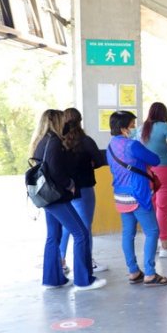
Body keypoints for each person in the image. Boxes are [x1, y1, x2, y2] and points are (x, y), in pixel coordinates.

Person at [31, 109, 105, 291]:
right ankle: (83, 280)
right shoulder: (55, 141)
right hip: (58, 197)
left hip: (45, 196)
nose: (65, 123)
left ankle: (52, 279)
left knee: (53, 235)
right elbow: (56, 170)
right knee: (81, 233)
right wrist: (70, 184)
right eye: (62, 120)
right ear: (56, 121)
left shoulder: (41, 141)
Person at [107, 110, 167, 286]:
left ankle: (133, 271)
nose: (134, 128)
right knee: (152, 231)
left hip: (121, 195)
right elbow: (155, 160)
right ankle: (149, 273)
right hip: (138, 195)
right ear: (123, 128)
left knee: (128, 233)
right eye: (132, 125)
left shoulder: (111, 146)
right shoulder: (132, 145)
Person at [59, 108, 108, 276]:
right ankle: (88, 261)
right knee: (85, 227)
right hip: (84, 188)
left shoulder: (59, 141)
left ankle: (60, 260)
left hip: (65, 189)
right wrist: (90, 164)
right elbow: (100, 160)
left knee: (67, 225)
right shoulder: (85, 141)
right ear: (80, 120)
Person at [140, 102, 167, 258]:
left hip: (146, 171)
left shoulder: (142, 129)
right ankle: (165, 246)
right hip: (164, 171)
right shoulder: (165, 128)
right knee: (162, 209)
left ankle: (154, 243)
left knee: (151, 207)